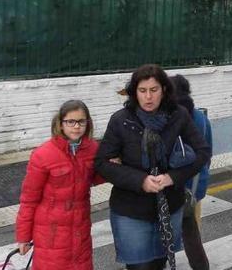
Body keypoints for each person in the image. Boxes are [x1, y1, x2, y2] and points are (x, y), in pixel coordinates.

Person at [96, 64, 212, 270]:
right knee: (139, 267)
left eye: (154, 90)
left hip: (169, 206)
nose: (148, 97)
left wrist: (172, 177)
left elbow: (202, 152)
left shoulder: (179, 115)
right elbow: (102, 163)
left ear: (164, 90)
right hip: (131, 209)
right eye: (142, 91)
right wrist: (140, 181)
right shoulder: (121, 120)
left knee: (159, 263)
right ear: (134, 92)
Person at [15, 100, 101, 270]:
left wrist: (114, 166)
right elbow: (29, 199)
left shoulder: (93, 149)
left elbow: (95, 177)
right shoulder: (43, 154)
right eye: (70, 121)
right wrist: (23, 237)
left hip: (80, 229)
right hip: (51, 233)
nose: (76, 126)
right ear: (61, 124)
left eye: (81, 121)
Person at [170, 75, 212, 270]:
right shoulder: (201, 118)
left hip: (171, 186)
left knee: (162, 234)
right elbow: (208, 152)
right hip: (195, 186)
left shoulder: (170, 116)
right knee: (192, 234)